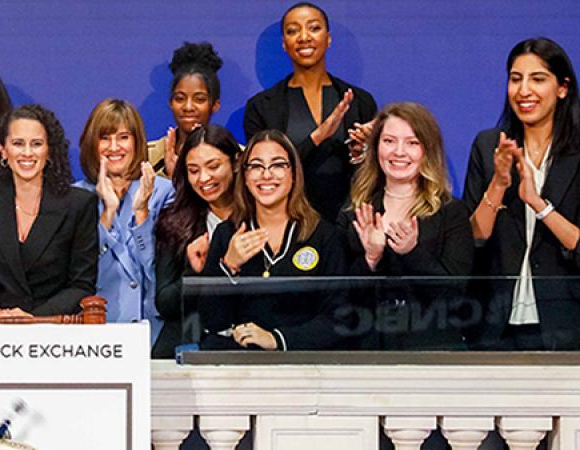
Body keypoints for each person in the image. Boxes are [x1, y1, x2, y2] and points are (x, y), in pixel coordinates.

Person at [465, 37, 580, 350]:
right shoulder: (489, 145)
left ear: (562, 88)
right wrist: (499, 185)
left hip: (568, 323)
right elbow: (471, 240)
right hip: (497, 323)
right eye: (516, 79)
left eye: (538, 79)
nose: (524, 90)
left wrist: (538, 204)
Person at [339, 102, 472, 349]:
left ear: (428, 150)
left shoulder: (450, 212)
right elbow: (337, 299)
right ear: (376, 147)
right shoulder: (355, 211)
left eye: (412, 143)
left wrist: (412, 253)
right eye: (389, 141)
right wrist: (370, 259)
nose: (399, 152)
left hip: (432, 351)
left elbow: (455, 296)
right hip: (368, 353)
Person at [201, 130, 347, 350]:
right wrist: (228, 267)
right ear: (246, 177)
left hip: (304, 368)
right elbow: (210, 322)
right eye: (256, 166)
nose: (266, 175)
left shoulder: (324, 236)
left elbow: (339, 318)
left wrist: (276, 340)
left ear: (294, 174)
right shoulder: (227, 234)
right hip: (240, 369)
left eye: (278, 165)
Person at [0, 104, 99, 321]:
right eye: (18, 143)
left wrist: (31, 319)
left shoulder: (78, 204)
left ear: (49, 151)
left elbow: (81, 284)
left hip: (51, 333)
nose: (27, 153)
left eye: (36, 144)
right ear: (3, 149)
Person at [244, 2, 377, 222]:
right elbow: (261, 174)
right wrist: (317, 137)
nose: (304, 37)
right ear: (284, 44)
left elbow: (372, 173)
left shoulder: (359, 101)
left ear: (329, 38)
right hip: (288, 223)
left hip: (348, 224)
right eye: (293, 31)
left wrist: (362, 152)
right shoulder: (261, 107)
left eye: (314, 28)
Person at [75, 99, 174, 341]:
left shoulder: (163, 192)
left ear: (137, 141)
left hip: (149, 332)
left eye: (123, 137)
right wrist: (107, 215)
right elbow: (81, 275)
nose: (114, 147)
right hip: (94, 331)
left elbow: (157, 273)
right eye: (105, 138)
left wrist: (141, 215)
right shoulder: (76, 197)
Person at [153, 124, 241, 357]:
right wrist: (195, 272)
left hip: (249, 344)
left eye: (213, 166)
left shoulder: (260, 218)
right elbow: (165, 302)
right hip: (190, 344)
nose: (204, 178)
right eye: (193, 170)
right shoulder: (176, 222)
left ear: (235, 163)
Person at [147, 42, 225, 177]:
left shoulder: (235, 155)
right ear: (170, 103)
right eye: (180, 98)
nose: (188, 107)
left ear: (215, 105)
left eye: (199, 99)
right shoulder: (148, 156)